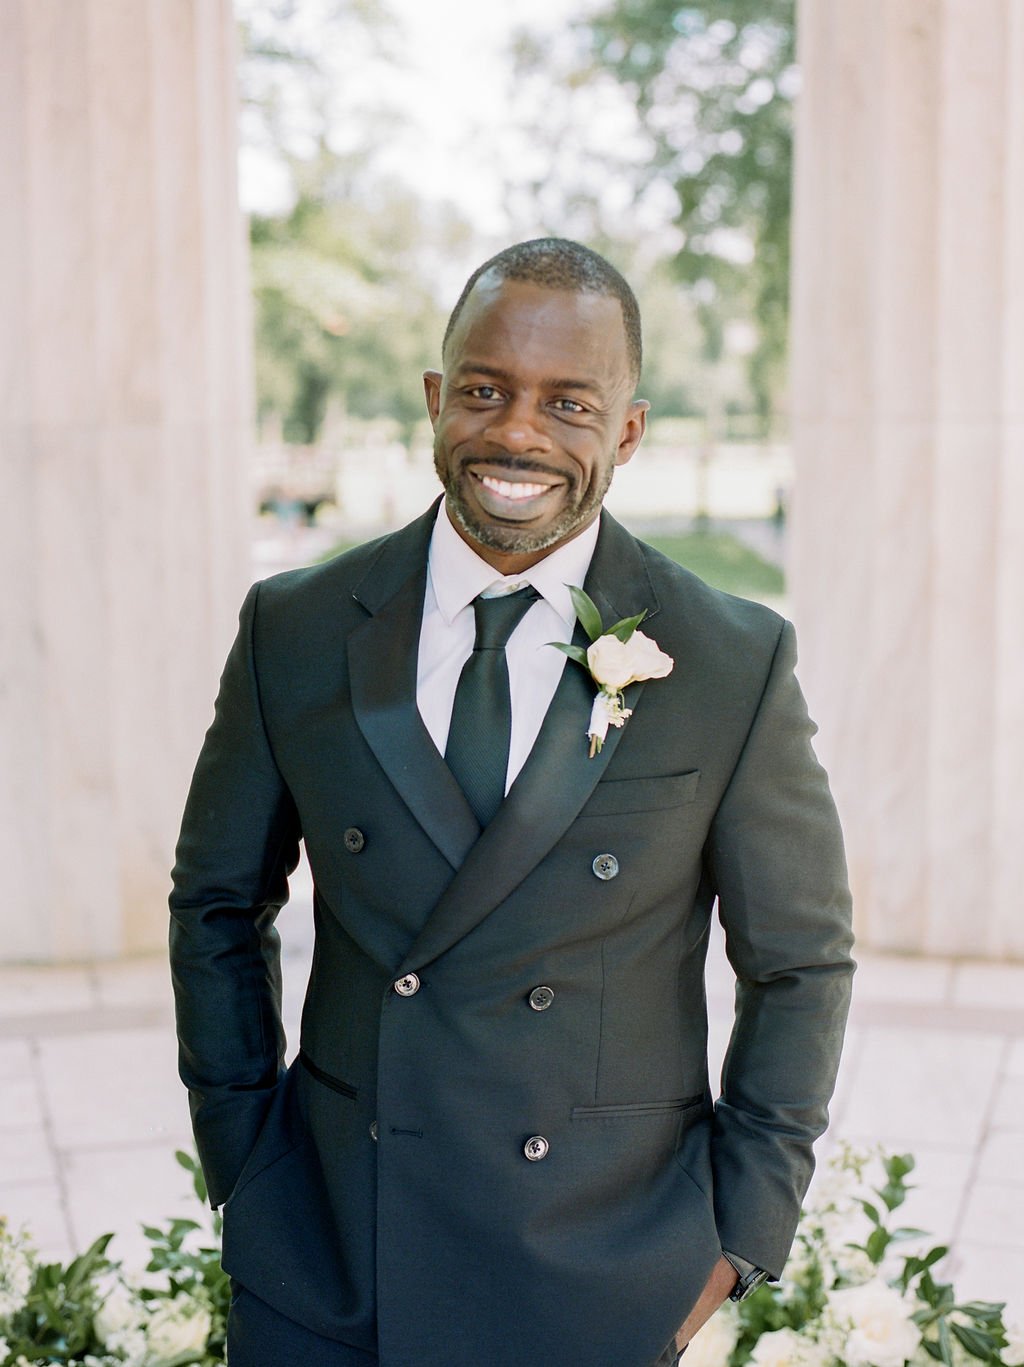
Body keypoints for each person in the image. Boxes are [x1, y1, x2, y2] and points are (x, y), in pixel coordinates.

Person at [169, 238, 854, 1367]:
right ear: (437, 399)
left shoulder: (731, 659)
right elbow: (214, 904)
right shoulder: (292, 627)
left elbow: (798, 961)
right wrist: (245, 1151)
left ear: (625, 430)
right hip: (333, 1246)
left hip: (599, 1264)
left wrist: (738, 1230)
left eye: (567, 403)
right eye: (484, 390)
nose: (518, 434)